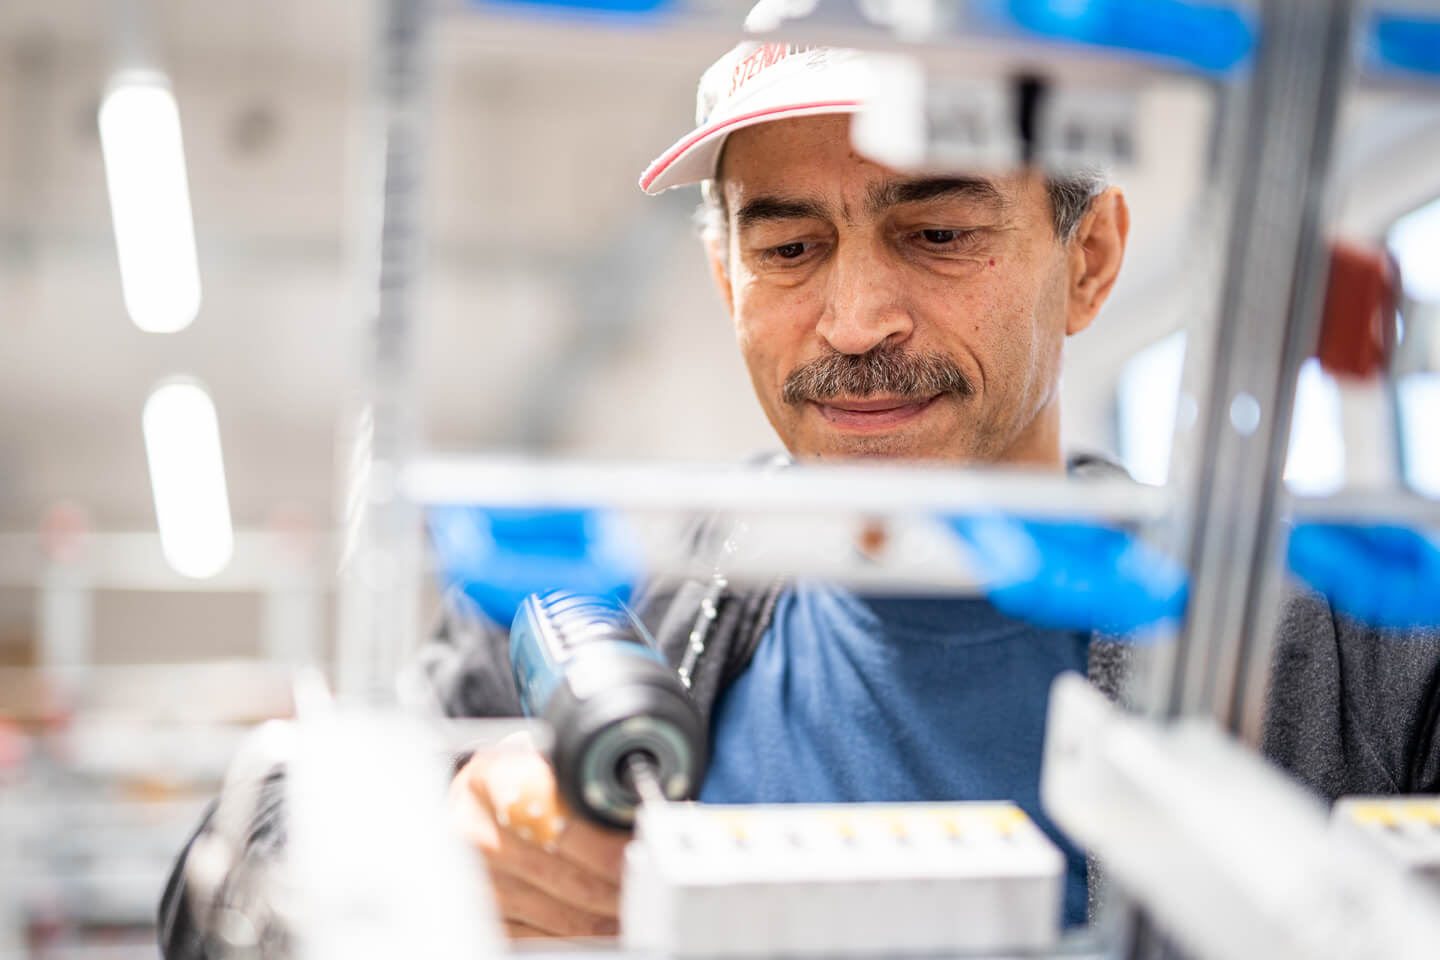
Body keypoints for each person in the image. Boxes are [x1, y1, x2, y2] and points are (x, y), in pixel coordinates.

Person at [159, 27, 1440, 959]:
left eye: (939, 233)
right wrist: (440, 841)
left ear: (1089, 260)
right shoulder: (618, 597)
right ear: (729, 283)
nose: (855, 317)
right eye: (789, 247)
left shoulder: (1335, 639)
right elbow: (220, 882)